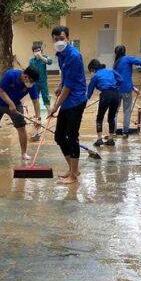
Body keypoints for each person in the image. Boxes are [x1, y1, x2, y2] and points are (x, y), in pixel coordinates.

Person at [47, 25, 87, 184]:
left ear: (68, 38)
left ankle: (74, 174)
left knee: (72, 137)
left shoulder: (74, 56)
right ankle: (73, 169)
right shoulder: (61, 53)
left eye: (62, 39)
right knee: (59, 136)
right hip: (68, 101)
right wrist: (59, 85)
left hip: (76, 100)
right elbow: (64, 73)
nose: (59, 42)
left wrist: (55, 107)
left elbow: (69, 87)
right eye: (56, 40)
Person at [0, 66, 40, 161]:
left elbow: (35, 100)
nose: (31, 83)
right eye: (30, 80)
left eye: (33, 82)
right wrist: (10, 104)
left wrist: (38, 118)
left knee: (21, 128)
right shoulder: (10, 75)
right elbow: (0, 91)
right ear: (25, 76)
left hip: (16, 104)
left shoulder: (31, 84)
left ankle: (24, 153)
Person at [112, 45, 141, 136]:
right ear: (124, 51)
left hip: (116, 90)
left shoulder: (115, 63)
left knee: (114, 112)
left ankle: (114, 132)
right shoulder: (128, 59)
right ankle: (125, 132)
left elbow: (119, 78)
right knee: (127, 111)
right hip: (127, 90)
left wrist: (134, 89)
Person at [87, 59, 122, 147]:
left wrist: (83, 102)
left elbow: (89, 92)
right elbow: (121, 79)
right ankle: (110, 139)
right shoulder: (111, 70)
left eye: (91, 71)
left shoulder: (96, 76)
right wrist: (113, 85)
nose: (91, 72)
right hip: (116, 94)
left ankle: (99, 139)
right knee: (111, 117)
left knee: (99, 117)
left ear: (93, 69)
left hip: (105, 95)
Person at [28, 43, 53, 114]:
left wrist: (41, 57)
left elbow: (50, 62)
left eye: (38, 50)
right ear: (33, 52)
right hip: (35, 82)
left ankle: (49, 112)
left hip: (43, 81)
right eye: (35, 51)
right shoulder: (31, 61)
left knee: (45, 96)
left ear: (41, 50)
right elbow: (30, 71)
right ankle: (37, 114)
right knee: (35, 98)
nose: (37, 52)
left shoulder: (44, 57)